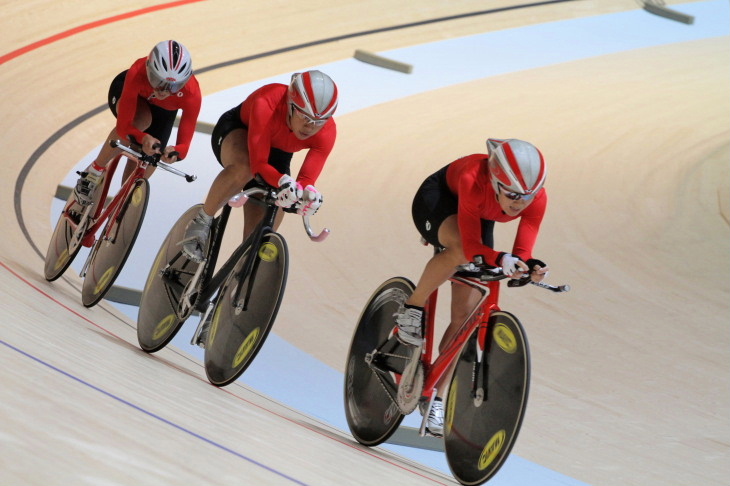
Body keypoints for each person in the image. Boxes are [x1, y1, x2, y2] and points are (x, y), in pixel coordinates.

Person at [396, 138, 550, 437]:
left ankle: (435, 399)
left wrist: (529, 266)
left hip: (480, 212)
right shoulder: (472, 177)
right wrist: (498, 257)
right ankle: (412, 307)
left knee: (465, 317)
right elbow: (470, 245)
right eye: (514, 194)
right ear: (495, 181)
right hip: (440, 199)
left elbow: (523, 249)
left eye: (528, 196)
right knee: (461, 253)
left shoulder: (535, 198)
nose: (520, 203)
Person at [179, 70, 338, 263]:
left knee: (264, 230)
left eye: (318, 122)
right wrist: (282, 181)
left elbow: (306, 181)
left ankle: (242, 271)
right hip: (239, 131)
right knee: (244, 168)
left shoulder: (327, 131)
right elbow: (258, 165)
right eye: (305, 117)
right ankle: (201, 221)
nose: (310, 127)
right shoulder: (267, 101)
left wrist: (306, 196)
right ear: (291, 105)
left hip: (277, 151)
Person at [73, 40, 202, 205]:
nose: (163, 91)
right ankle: (92, 173)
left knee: (150, 159)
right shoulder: (138, 71)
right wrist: (142, 138)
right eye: (158, 80)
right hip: (132, 97)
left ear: (184, 81)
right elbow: (124, 127)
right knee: (141, 121)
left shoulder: (192, 93)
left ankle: (119, 211)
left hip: (163, 112)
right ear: (149, 69)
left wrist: (173, 152)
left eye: (174, 86)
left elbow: (184, 146)